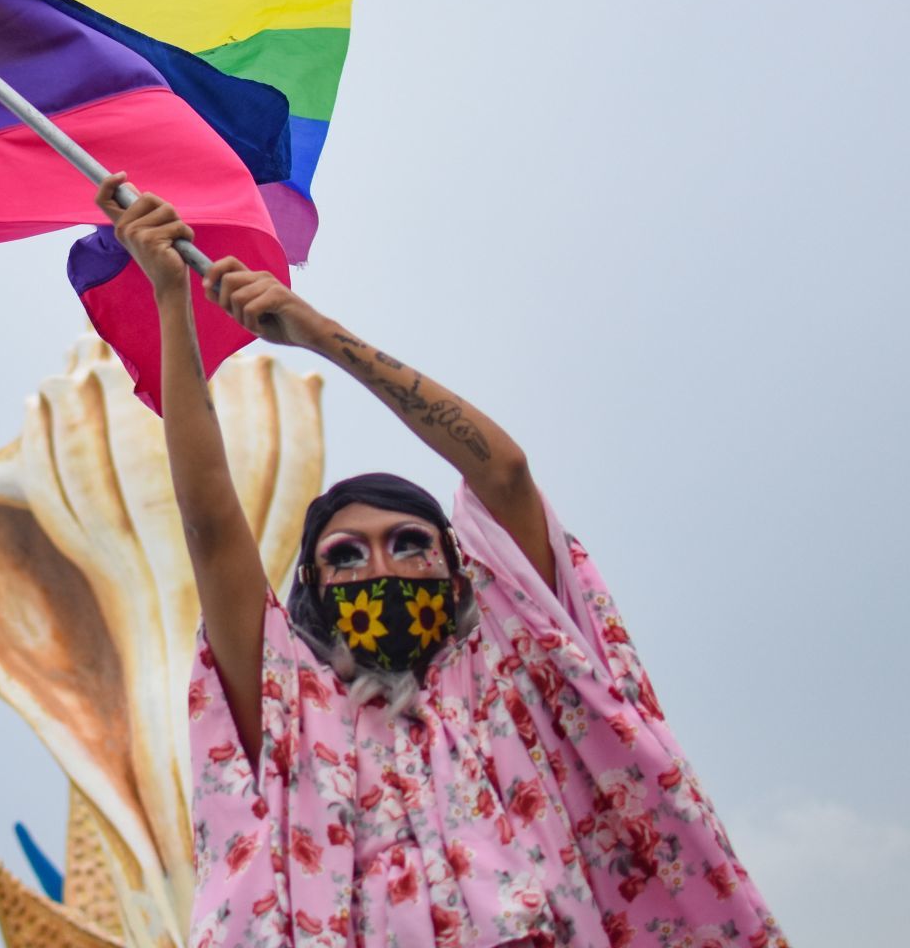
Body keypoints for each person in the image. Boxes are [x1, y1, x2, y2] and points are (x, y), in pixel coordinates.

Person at [96, 175, 788, 948]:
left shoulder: (517, 673)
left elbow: (505, 476)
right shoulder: (296, 710)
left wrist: (321, 335)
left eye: (410, 542)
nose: (380, 568)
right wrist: (170, 301)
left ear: (459, 572)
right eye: (345, 555)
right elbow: (213, 530)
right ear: (313, 593)